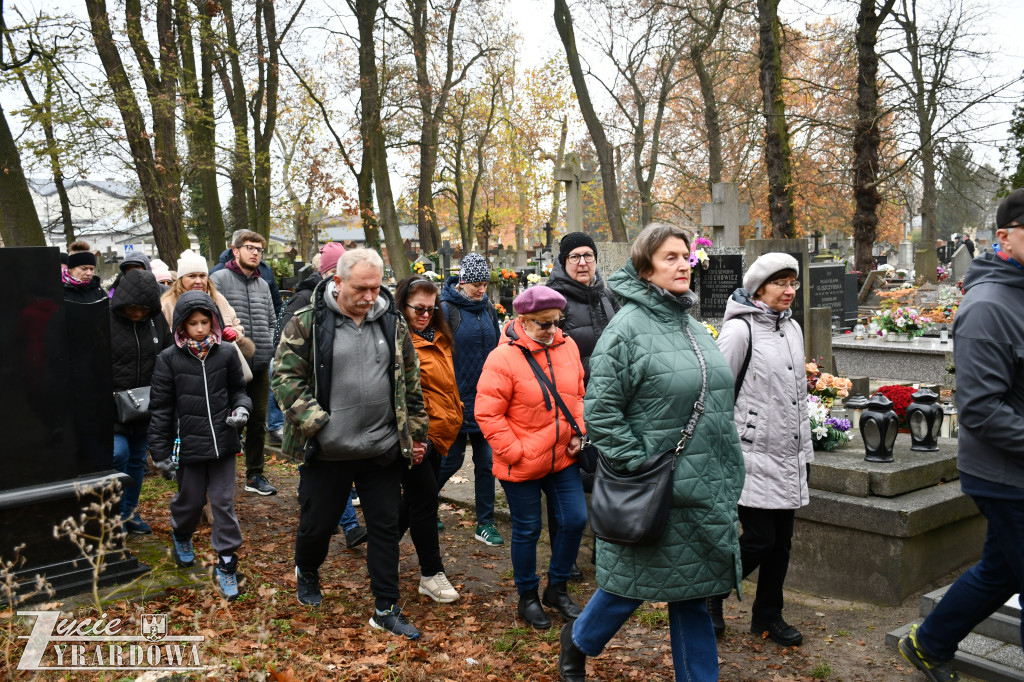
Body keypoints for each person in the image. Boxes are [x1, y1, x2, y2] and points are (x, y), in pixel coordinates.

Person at [558, 223, 744, 682]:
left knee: (693, 594)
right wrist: (640, 465)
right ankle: (578, 640)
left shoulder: (691, 324)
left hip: (702, 489)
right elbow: (601, 413)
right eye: (670, 258)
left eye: (686, 256)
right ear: (645, 269)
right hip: (657, 490)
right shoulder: (627, 329)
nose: (683, 265)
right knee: (628, 587)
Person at [898, 189, 1024, 682]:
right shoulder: (989, 306)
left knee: (1000, 571)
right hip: (1005, 476)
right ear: (1004, 237)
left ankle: (928, 644)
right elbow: (981, 410)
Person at [273, 248, 430, 640]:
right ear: (338, 282)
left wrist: (416, 433)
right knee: (318, 525)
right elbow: (284, 378)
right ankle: (307, 570)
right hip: (328, 451)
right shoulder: (308, 322)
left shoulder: (391, 321)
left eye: (376, 287)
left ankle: (385, 608)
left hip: (381, 449)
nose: (369, 296)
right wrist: (317, 423)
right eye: (361, 288)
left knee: (385, 527)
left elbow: (410, 379)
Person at [710, 252, 813, 646]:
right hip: (749, 454)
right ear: (758, 288)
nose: (789, 290)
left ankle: (768, 615)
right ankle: (710, 593)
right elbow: (717, 393)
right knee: (758, 539)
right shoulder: (740, 331)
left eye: (792, 283)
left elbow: (797, 397)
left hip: (788, 453)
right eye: (780, 283)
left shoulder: (793, 329)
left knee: (781, 544)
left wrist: (805, 453)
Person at [476, 285, 588, 630]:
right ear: (523, 320)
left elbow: (578, 395)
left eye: (556, 321)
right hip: (521, 461)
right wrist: (516, 452)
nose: (552, 329)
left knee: (574, 519)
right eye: (544, 323)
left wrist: (578, 432)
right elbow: (488, 414)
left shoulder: (568, 346)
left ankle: (557, 589)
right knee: (528, 529)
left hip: (561, 456)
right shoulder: (503, 358)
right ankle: (528, 597)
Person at [148, 291, 252, 601]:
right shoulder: (168, 359)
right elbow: (161, 408)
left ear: (213, 322)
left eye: (205, 322)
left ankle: (227, 563)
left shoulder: (227, 353)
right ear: (181, 325)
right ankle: (182, 532)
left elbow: (238, 391)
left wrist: (241, 410)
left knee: (222, 503)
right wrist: (160, 452)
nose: (199, 329)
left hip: (223, 443)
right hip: (188, 446)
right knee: (190, 501)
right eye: (192, 323)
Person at [280, 242, 366, 550]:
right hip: (311, 411)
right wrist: (311, 417)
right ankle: (332, 526)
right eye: (334, 271)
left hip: (345, 415)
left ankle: (338, 523)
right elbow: (286, 361)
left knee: (325, 478)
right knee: (312, 471)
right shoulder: (304, 303)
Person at [546, 231, 620, 578]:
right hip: (568, 404)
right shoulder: (554, 301)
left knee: (607, 477)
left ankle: (603, 549)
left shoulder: (607, 295)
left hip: (608, 403)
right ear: (564, 262)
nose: (582, 262)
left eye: (588, 255)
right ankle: (564, 557)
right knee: (566, 481)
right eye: (574, 256)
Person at [394, 275, 464, 604]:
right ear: (402, 306)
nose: (425, 315)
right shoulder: (399, 341)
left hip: (440, 433)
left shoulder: (440, 338)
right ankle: (431, 574)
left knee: (415, 499)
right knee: (424, 502)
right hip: (416, 437)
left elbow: (446, 386)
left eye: (431, 309)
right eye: (418, 309)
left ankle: (382, 544)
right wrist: (416, 435)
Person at [436, 252, 504, 546]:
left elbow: (498, 347)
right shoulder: (446, 309)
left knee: (486, 462)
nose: (481, 289)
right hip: (456, 401)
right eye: (476, 284)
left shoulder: (487, 308)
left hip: (487, 400)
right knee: (451, 461)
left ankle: (485, 522)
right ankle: (423, 502)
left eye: (484, 284)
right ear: (463, 281)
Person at [211, 231, 279, 497]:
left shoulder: (263, 284)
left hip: (260, 363)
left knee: (258, 422)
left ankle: (255, 474)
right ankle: (218, 475)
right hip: (229, 364)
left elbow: (272, 320)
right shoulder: (219, 279)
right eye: (250, 248)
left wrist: (269, 346)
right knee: (226, 420)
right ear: (235, 250)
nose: (255, 253)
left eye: (259, 250)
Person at [110, 269, 173, 534]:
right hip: (112, 405)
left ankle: (129, 513)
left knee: (137, 459)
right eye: (133, 307)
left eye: (144, 308)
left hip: (145, 404)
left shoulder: (156, 322)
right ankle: (112, 516)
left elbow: (168, 355)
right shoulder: (106, 321)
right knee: (118, 454)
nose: (138, 313)